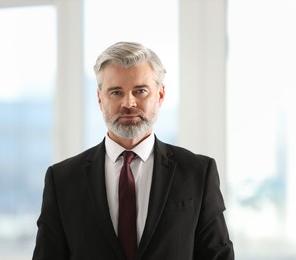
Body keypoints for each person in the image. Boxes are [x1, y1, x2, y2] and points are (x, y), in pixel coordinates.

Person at [32, 42, 234, 260]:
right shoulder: (62, 179)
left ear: (161, 94)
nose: (128, 103)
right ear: (100, 99)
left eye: (140, 91)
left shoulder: (197, 173)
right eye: (116, 92)